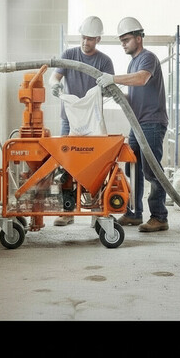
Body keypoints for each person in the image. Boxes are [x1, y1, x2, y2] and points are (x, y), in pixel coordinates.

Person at [98, 16, 169, 233]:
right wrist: (115, 92)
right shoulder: (132, 62)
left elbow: (141, 79)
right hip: (137, 123)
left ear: (139, 38)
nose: (123, 44)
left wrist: (113, 78)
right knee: (132, 167)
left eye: (126, 39)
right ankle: (134, 213)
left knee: (152, 171)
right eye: (121, 40)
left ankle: (159, 217)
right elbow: (133, 96)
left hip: (151, 123)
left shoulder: (148, 58)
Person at [49, 15, 115, 225]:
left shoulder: (104, 61)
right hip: (69, 118)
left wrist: (107, 90)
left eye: (91, 39)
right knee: (67, 164)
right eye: (84, 38)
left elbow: (110, 88)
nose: (86, 43)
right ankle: (67, 211)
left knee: (95, 164)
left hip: (92, 121)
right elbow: (55, 76)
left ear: (98, 40)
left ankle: (95, 208)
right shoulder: (69, 54)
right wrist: (54, 84)